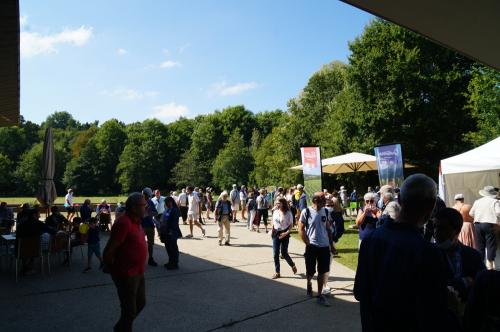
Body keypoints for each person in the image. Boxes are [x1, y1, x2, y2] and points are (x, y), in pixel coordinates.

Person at [354, 174, 456, 332]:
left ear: (399, 199)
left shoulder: (371, 241)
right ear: (432, 206)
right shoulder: (428, 253)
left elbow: (360, 292)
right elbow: (434, 310)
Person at [103, 193, 148, 332]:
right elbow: (109, 249)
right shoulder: (123, 223)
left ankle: (120, 327)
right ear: (134, 208)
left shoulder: (137, 221)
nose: (146, 207)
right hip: (126, 274)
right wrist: (113, 270)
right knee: (129, 310)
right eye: (143, 205)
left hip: (139, 271)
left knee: (140, 303)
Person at [434, 208, 485, 314]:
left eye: (442, 228)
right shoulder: (429, 255)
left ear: (456, 230)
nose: (436, 233)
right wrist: (464, 281)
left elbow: (481, 284)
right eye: (435, 227)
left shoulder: (473, 255)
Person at [299, 192, 334, 307]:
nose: (326, 201)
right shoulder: (306, 212)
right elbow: (301, 228)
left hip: (324, 246)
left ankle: (319, 295)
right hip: (312, 246)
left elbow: (328, 229)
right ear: (316, 200)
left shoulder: (326, 211)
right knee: (310, 270)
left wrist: (331, 245)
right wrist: (307, 243)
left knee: (322, 271)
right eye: (323, 199)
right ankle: (309, 282)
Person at [469, 186, 500, 270]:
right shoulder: (495, 201)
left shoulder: (477, 201)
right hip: (490, 224)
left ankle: (480, 265)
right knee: (490, 245)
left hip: (478, 224)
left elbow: (471, 213)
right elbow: (499, 212)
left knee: (480, 246)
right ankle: (490, 266)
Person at [271, 198, 297, 279]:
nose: (277, 204)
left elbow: (291, 225)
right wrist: (272, 229)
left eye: (279, 203)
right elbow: (272, 221)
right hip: (276, 233)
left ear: (283, 203)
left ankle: (292, 265)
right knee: (275, 254)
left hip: (285, 233)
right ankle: (277, 272)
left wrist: (286, 233)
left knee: (284, 253)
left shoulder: (288, 213)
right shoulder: (275, 211)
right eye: (276, 203)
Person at [159, 197, 182, 270]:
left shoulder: (174, 210)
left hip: (172, 233)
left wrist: (171, 231)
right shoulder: (167, 209)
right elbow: (163, 219)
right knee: (168, 248)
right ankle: (170, 262)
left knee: (173, 248)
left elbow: (174, 222)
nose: (166, 204)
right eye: (165, 203)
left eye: (167, 202)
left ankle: (174, 264)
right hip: (165, 232)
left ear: (171, 202)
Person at [141, 187, 158, 267]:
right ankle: (140, 260)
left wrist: (149, 213)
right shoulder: (139, 202)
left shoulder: (150, 202)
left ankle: (150, 258)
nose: (149, 197)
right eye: (148, 196)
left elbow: (156, 213)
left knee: (150, 244)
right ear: (144, 194)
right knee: (140, 244)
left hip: (150, 225)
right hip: (141, 226)